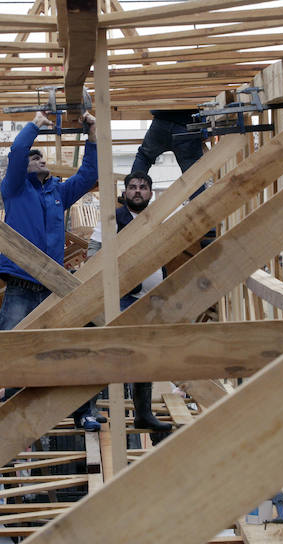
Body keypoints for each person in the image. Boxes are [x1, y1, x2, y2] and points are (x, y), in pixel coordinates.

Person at [0, 111, 101, 431]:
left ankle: (83, 411)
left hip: (51, 286)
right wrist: (36, 125)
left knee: (71, 347)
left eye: (41, 157)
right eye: (34, 157)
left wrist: (91, 134)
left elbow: (89, 173)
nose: (39, 159)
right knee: (5, 351)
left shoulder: (57, 193)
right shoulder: (14, 189)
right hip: (22, 284)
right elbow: (16, 154)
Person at [89, 172, 172, 436]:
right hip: (122, 297)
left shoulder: (157, 217)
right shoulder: (113, 218)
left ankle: (143, 414)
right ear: (124, 193)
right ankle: (90, 409)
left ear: (150, 192)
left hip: (150, 299)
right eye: (133, 187)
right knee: (112, 352)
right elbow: (93, 253)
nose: (137, 191)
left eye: (143, 187)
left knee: (143, 356)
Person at [131, 110, 206, 199]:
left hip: (161, 122)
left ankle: (132, 194)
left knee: (144, 157)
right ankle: (199, 208)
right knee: (193, 174)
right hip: (187, 125)